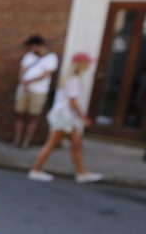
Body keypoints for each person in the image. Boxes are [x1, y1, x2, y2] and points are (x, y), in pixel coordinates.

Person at [28, 52, 103, 183]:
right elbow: (72, 101)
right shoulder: (74, 79)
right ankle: (36, 169)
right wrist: (83, 117)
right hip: (64, 117)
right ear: (81, 64)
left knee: (76, 144)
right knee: (53, 144)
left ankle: (81, 172)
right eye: (87, 63)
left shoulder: (70, 77)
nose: (89, 65)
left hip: (64, 116)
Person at [13, 35, 59, 148]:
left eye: (32, 47)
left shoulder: (51, 58)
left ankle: (27, 141)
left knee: (33, 116)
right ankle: (17, 139)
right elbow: (22, 70)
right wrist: (23, 81)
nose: (31, 50)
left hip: (39, 91)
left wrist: (29, 82)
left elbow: (46, 74)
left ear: (40, 46)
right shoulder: (28, 56)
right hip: (23, 89)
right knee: (19, 114)